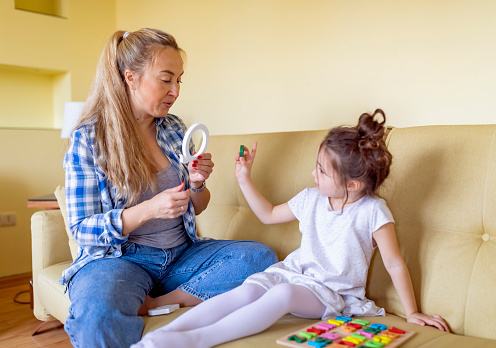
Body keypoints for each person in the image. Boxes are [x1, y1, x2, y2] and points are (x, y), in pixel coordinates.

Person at [132, 110, 450, 348]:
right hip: (292, 272)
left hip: (331, 292)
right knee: (249, 289)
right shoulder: (312, 198)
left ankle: (197, 340)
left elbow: (394, 263)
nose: (313, 174)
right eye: (316, 165)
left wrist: (412, 312)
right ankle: (164, 335)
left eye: (322, 171)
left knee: (282, 295)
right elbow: (268, 214)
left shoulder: (372, 212)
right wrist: (244, 178)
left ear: (352, 184)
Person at [60, 28, 278, 348]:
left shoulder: (174, 127)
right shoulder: (89, 139)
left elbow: (197, 205)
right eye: (166, 79)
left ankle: (158, 302)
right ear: (130, 77)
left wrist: (196, 183)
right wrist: (149, 209)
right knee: (96, 316)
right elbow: (82, 229)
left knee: (259, 257)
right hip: (120, 260)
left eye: (179, 80)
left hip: (182, 254)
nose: (175, 90)